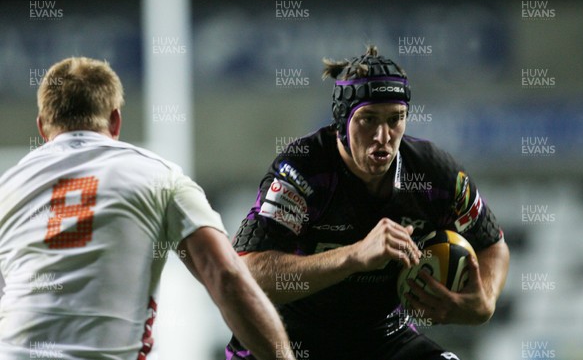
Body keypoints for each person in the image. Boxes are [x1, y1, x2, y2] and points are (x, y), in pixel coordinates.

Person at [0, 57, 295, 360]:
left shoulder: (6, 189)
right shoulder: (160, 177)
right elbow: (226, 278)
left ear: (42, 128)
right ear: (115, 120)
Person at [226, 46, 510, 360]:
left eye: (395, 119)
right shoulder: (304, 169)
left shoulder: (433, 173)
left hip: (384, 338)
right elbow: (244, 272)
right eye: (368, 120)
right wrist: (355, 255)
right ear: (341, 120)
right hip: (290, 339)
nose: (382, 136)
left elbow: (492, 244)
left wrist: (483, 303)